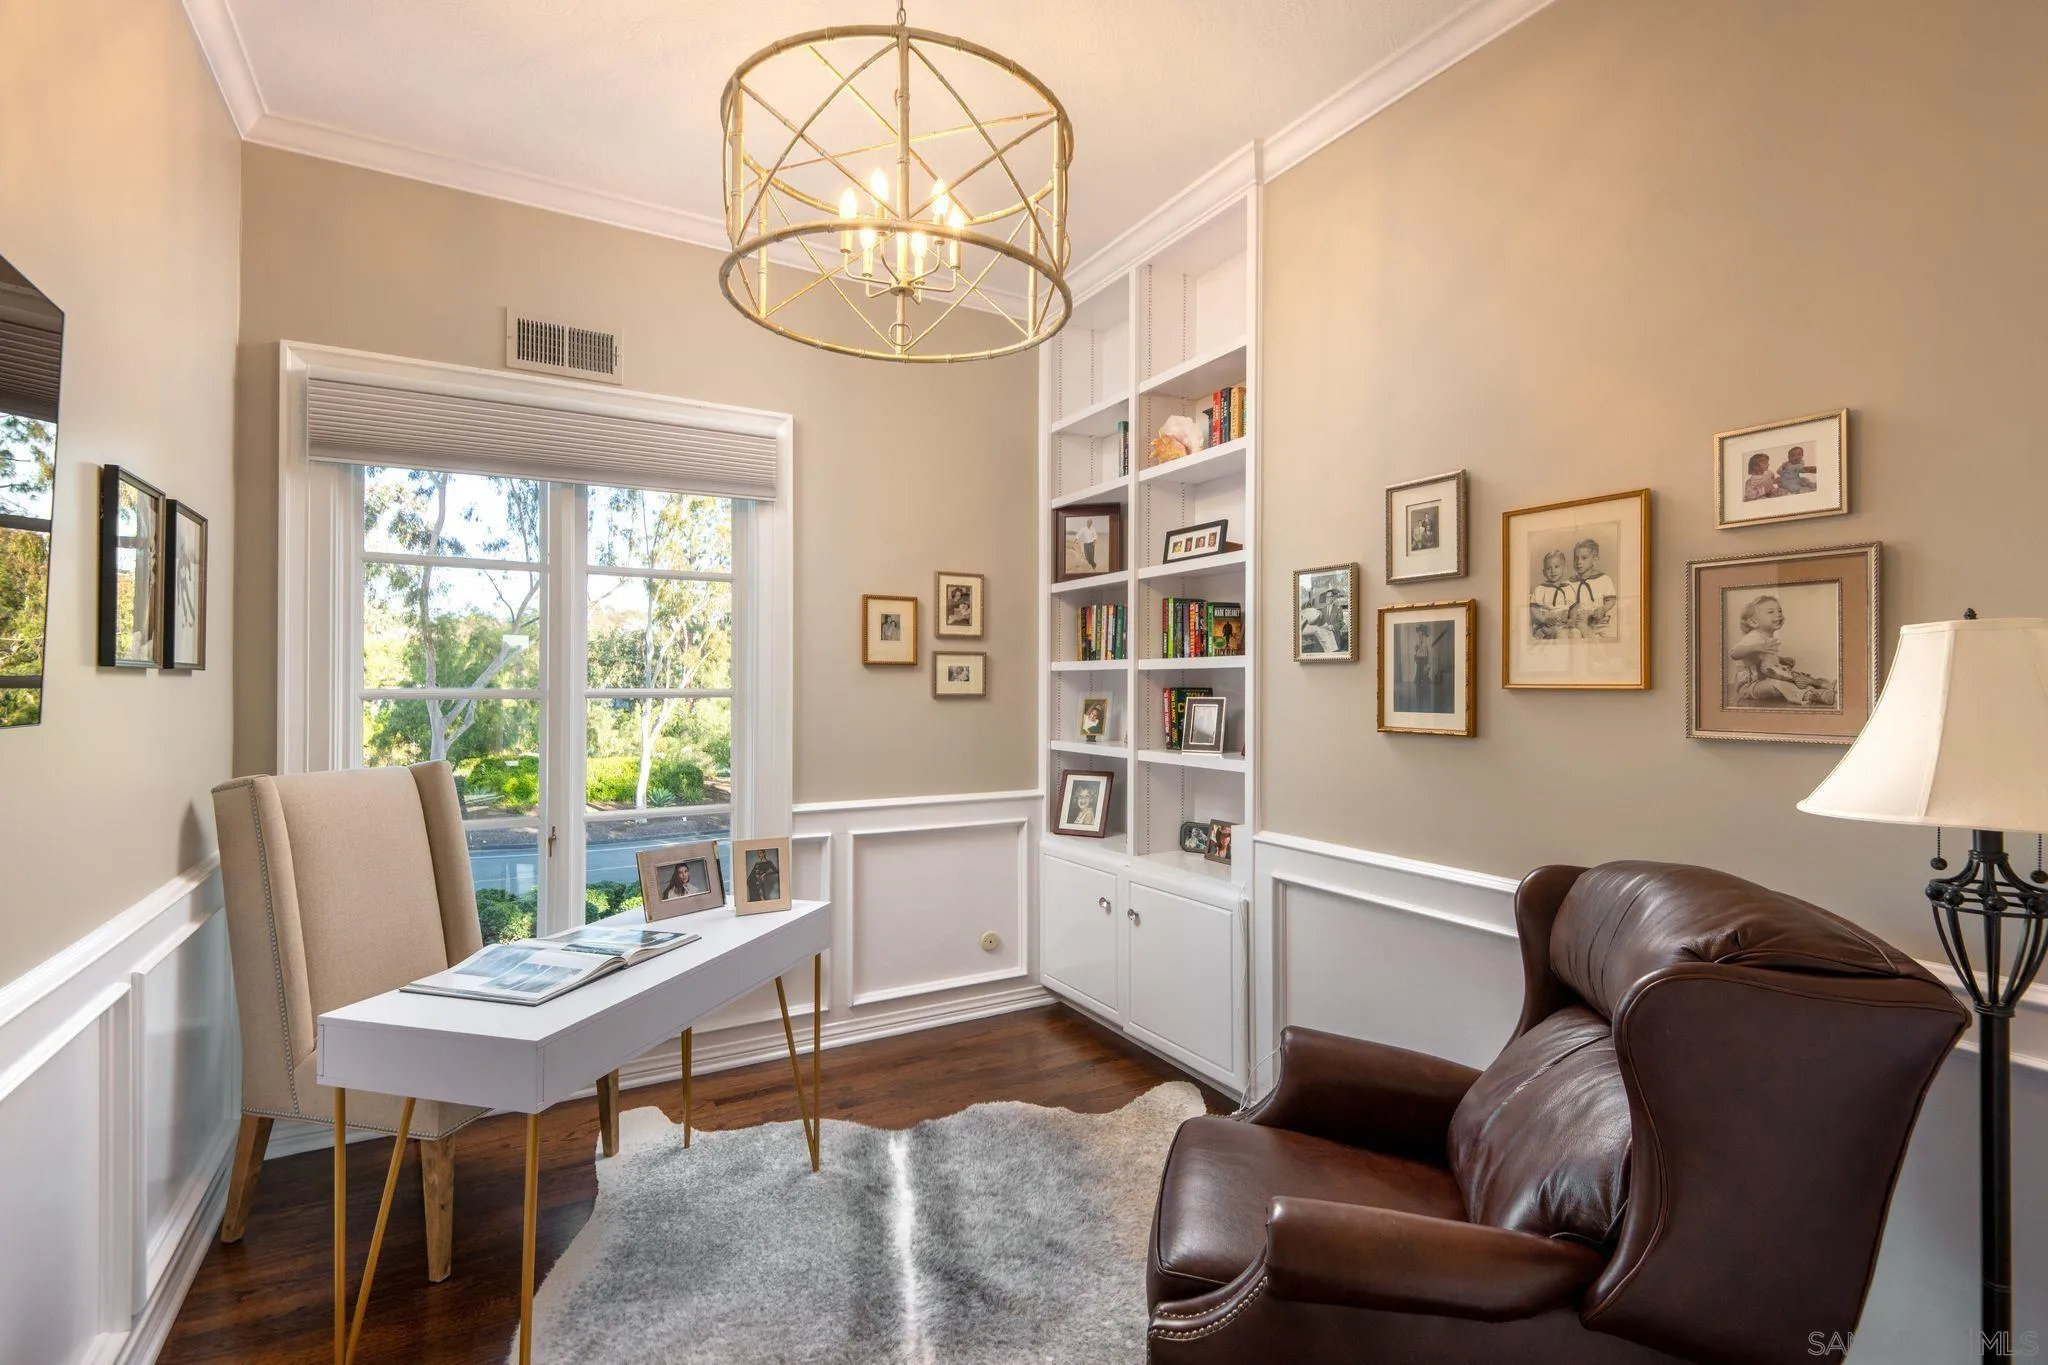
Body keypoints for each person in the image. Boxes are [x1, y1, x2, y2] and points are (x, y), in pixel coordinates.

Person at [1729, 595, 1835, 706]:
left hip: (1764, 681)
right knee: (1779, 684)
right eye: (1771, 612)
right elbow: (1734, 653)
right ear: (1754, 622)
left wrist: (1781, 660)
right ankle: (1809, 694)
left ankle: (1822, 686)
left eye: (1780, 611)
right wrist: (1755, 647)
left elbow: (1762, 659)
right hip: (1750, 687)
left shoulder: (1767, 638)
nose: (1778, 614)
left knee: (1794, 678)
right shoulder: (1753, 637)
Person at [1567, 538, 1619, 639]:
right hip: (1579, 620)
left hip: (1597, 618)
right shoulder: (1570, 583)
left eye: (1584, 558)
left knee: (1610, 633)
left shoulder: (1603, 579)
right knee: (1577, 632)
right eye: (1576, 558)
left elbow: (1611, 600)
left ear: (1594, 560)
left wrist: (1603, 609)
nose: (1578, 562)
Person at [1528, 549, 1572, 640]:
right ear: (1544, 572)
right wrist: (1543, 619)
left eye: (1557, 567)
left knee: (1576, 634)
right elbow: (1533, 608)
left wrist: (1571, 619)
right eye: (1549, 568)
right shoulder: (1541, 589)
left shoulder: (1568, 588)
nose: (1553, 570)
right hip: (1545, 626)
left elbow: (1574, 606)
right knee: (1561, 636)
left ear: (1564, 569)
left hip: (1563, 625)